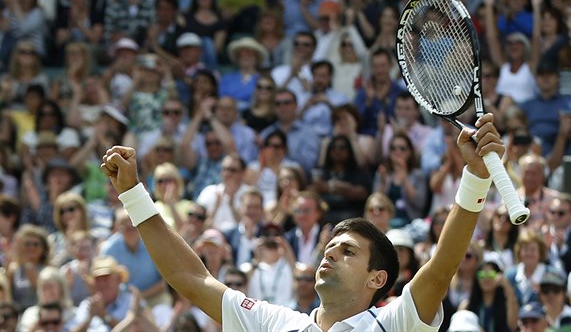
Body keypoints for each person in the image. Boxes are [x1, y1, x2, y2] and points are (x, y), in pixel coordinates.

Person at [100, 113, 506, 331]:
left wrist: (474, 179)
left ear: (377, 279)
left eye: (348, 251)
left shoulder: (393, 323)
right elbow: (191, 278)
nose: (330, 255)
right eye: (330, 247)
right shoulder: (274, 323)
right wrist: (134, 194)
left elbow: (440, 269)